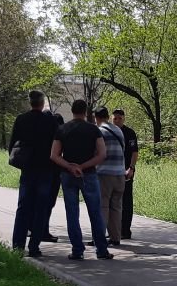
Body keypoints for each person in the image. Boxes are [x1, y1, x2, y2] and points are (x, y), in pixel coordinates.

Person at [49, 99, 112, 260]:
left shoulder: (62, 129)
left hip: (68, 175)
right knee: (95, 212)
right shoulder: (93, 129)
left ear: (72, 111)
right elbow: (102, 154)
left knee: (72, 213)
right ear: (85, 112)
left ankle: (77, 250)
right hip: (89, 174)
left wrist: (70, 167)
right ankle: (101, 250)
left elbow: (54, 155)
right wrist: (82, 167)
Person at [9, 90, 61, 257]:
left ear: (30, 102)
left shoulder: (21, 119)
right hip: (46, 168)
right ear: (42, 102)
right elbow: (57, 144)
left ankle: (18, 245)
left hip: (28, 168)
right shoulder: (51, 121)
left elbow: (13, 144)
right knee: (41, 208)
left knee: (23, 207)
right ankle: (34, 246)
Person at [94, 107, 128, 247]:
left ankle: (99, 238)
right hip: (120, 174)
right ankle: (115, 237)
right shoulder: (118, 130)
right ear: (108, 117)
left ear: (96, 118)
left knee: (103, 206)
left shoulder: (99, 131)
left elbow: (96, 152)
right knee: (116, 207)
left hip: (104, 174)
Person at [112, 109, 140, 239]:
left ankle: (125, 230)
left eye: (119, 118)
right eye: (115, 118)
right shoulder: (109, 132)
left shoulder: (129, 133)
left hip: (126, 171)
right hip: (112, 172)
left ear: (124, 119)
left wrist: (131, 168)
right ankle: (113, 230)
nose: (117, 121)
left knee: (126, 202)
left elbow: (134, 152)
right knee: (113, 202)